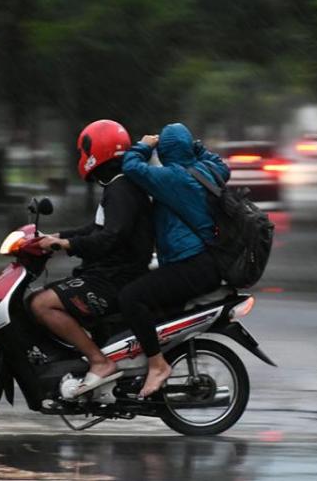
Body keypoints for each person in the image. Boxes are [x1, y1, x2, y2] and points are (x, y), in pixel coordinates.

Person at [32, 119, 154, 395]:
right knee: (43, 296)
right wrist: (56, 236)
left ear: (96, 151)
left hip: (115, 278)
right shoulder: (119, 185)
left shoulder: (121, 189)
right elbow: (97, 228)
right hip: (110, 273)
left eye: (84, 151)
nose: (82, 157)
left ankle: (100, 361)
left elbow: (110, 237)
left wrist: (67, 244)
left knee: (41, 304)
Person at [119, 122, 230, 398]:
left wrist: (144, 146)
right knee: (159, 313)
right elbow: (220, 162)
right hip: (207, 263)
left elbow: (131, 167)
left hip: (190, 264)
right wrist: (195, 147)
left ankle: (157, 365)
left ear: (165, 152)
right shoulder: (208, 170)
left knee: (131, 298)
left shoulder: (172, 178)